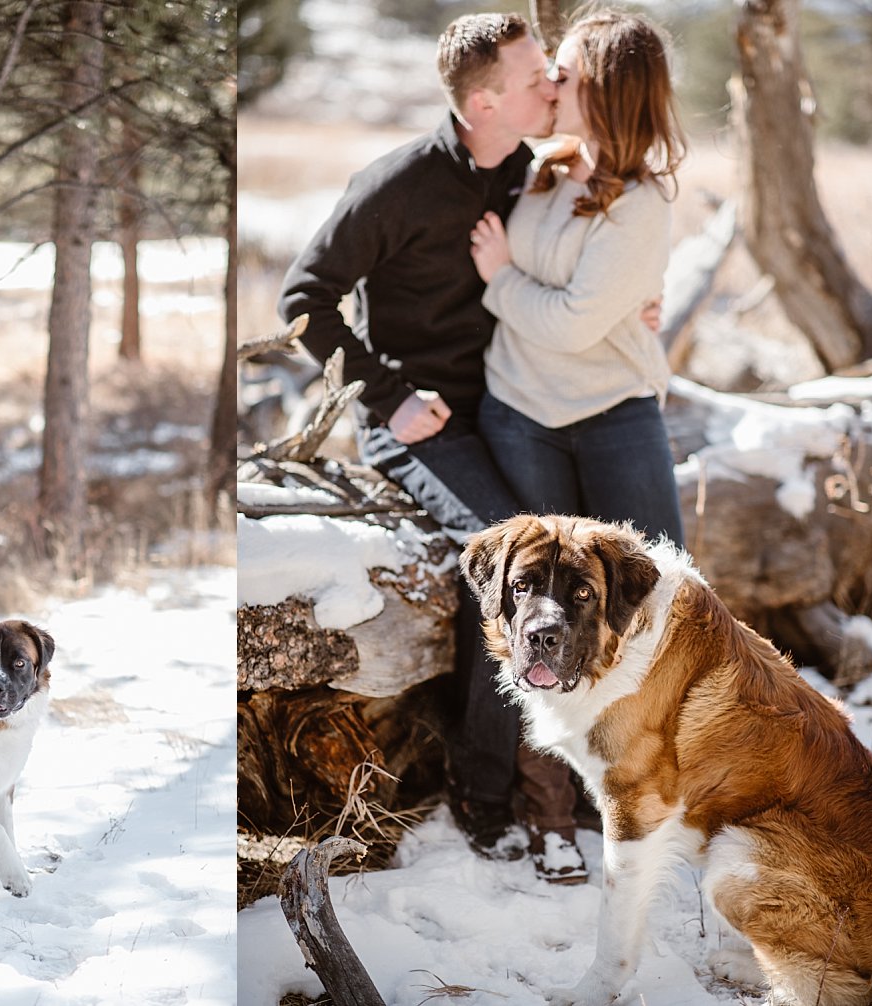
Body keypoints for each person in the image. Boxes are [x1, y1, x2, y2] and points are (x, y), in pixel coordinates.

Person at [277, 13, 601, 884]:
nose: (554, 89)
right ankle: (483, 795)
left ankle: (580, 778)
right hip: (415, 424)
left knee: (586, 548)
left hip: (512, 405)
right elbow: (305, 299)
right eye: (538, 77)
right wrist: (385, 395)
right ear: (487, 98)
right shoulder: (397, 184)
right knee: (513, 556)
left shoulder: (533, 172)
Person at [468, 9, 685, 549]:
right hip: (518, 412)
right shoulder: (539, 167)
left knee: (652, 596)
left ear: (605, 92)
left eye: (562, 77)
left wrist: (500, 277)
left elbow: (571, 326)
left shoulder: (641, 203)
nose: (548, 87)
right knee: (539, 602)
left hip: (613, 417)